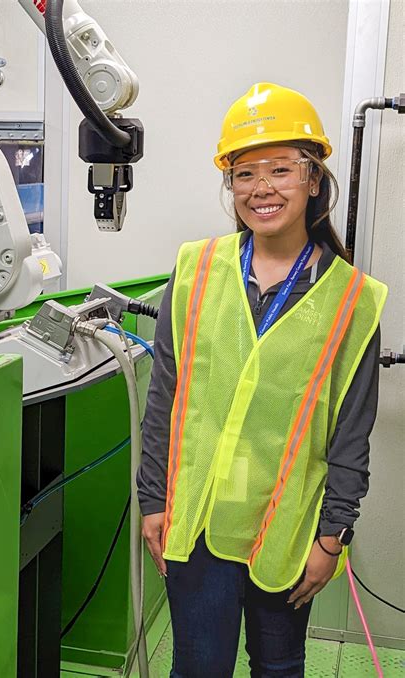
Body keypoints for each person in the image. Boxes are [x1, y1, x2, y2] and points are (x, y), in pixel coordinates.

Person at [137, 82, 388, 677]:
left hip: (288, 526)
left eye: (281, 169)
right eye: (244, 174)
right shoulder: (195, 271)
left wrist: (333, 538)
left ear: (313, 179)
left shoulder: (353, 300)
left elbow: (351, 433)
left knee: (278, 667)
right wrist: (154, 499)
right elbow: (166, 398)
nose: (262, 189)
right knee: (199, 666)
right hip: (196, 519)